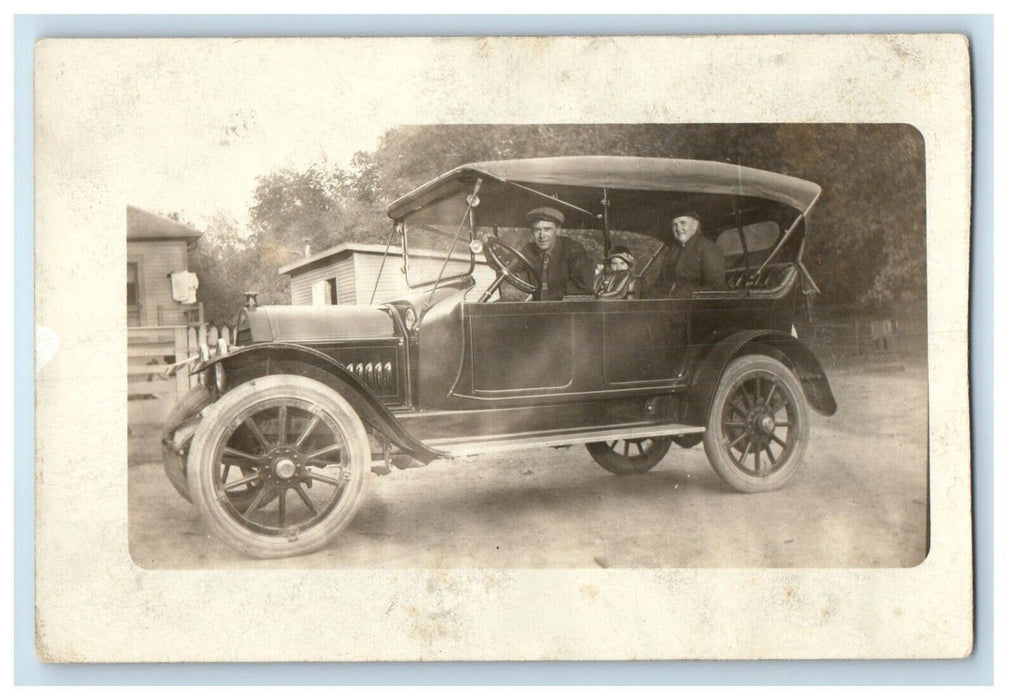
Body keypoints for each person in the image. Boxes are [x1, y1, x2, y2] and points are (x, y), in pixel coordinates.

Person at [520, 206, 595, 301]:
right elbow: (510, 270)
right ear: (532, 232)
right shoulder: (528, 250)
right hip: (537, 308)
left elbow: (583, 286)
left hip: (564, 310)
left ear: (558, 230)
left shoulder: (573, 250)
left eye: (547, 229)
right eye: (537, 230)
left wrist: (548, 297)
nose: (542, 235)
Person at [651, 210, 726, 296]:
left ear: (695, 225)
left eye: (683, 223)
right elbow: (661, 283)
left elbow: (716, 287)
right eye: (674, 225)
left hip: (696, 306)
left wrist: (684, 295)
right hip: (672, 304)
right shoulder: (673, 250)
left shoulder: (708, 248)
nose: (678, 228)